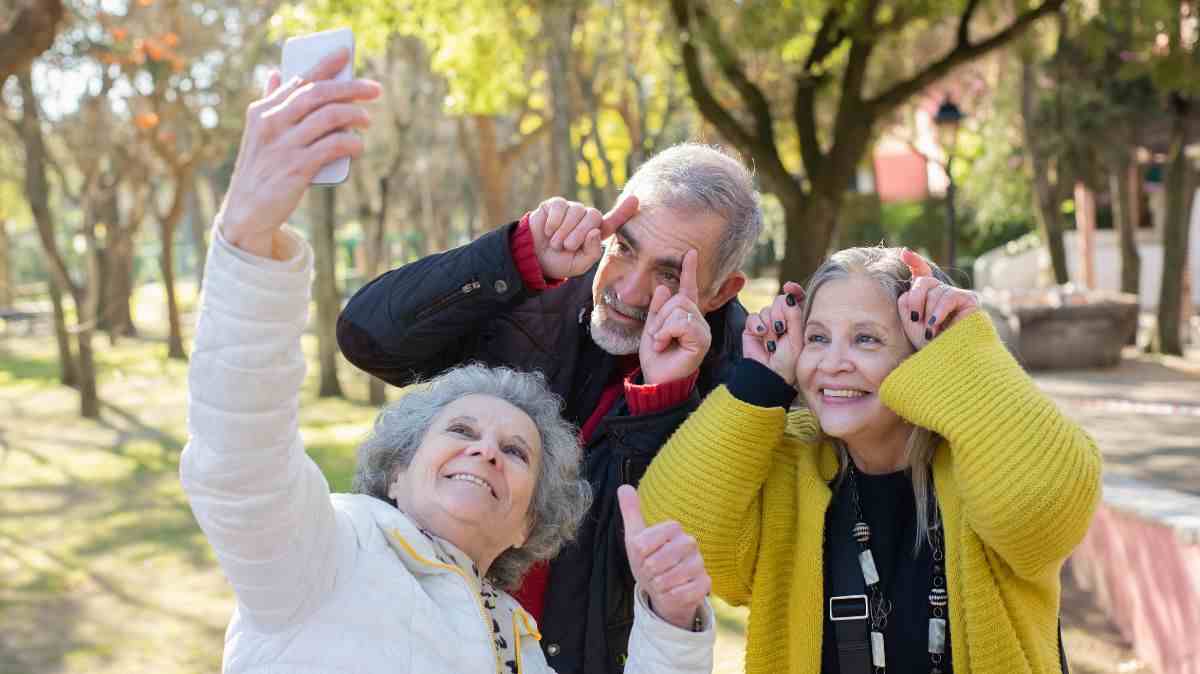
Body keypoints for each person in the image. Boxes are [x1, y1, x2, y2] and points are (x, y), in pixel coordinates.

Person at [181, 50, 716, 674]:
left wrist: (673, 625)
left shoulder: (518, 646)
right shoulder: (325, 555)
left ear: (529, 526)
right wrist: (248, 241)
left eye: (516, 452)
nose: (486, 451)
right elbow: (238, 463)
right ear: (397, 473)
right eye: (461, 431)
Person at [337, 134, 762, 669]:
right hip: (422, 642)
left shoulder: (743, 385)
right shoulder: (535, 287)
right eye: (625, 247)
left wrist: (662, 400)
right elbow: (368, 339)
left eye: (669, 274)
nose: (628, 291)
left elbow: (654, 556)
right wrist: (515, 255)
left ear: (721, 293)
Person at [638, 246, 1103, 674]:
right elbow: (674, 535)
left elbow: (1043, 512)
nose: (833, 363)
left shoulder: (983, 461)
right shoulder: (789, 463)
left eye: (866, 340)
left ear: (924, 355)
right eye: (817, 338)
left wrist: (965, 351)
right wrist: (758, 383)